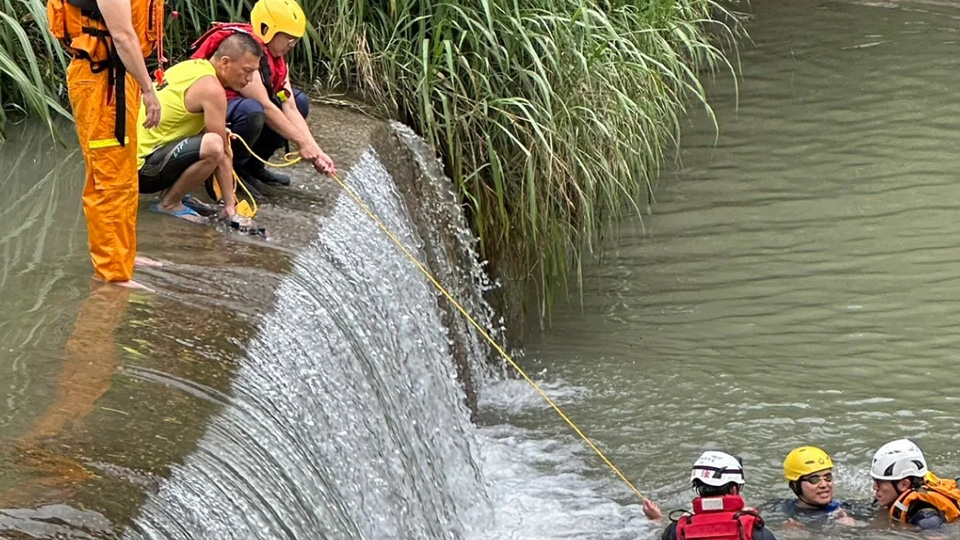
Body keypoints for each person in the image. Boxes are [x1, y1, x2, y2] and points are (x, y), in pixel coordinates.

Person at [46, 0, 165, 290]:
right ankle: (111, 273)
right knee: (109, 178)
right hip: (102, 82)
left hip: (119, 77)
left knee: (123, 175)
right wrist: (149, 90)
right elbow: (123, 36)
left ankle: (124, 255)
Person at [189, 0, 335, 193]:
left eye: (296, 39)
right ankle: (232, 170)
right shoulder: (245, 51)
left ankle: (253, 167)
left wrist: (316, 151)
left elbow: (289, 106)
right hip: (215, 109)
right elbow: (265, 106)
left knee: (299, 102)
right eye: (288, 38)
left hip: (241, 106)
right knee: (253, 111)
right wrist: (302, 143)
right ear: (266, 29)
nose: (292, 44)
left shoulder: (277, 56)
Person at [137, 33, 264, 222]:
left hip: (135, 161)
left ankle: (172, 194)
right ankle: (169, 203)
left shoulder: (192, 67)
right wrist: (231, 206)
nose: (250, 79)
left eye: (253, 72)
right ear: (225, 62)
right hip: (142, 170)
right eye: (246, 71)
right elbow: (222, 152)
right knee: (214, 145)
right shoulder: (212, 89)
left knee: (212, 138)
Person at [643, 451, 778, 540]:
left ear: (699, 489)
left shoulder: (676, 531)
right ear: (733, 489)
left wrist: (656, 520)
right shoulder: (757, 532)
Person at [871, 438, 960, 530]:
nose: (875, 487)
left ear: (904, 485)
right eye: (875, 480)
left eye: (881, 482)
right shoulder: (892, 497)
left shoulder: (927, 517)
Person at [775, 446, 857, 526]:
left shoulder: (850, 508)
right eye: (814, 480)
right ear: (795, 485)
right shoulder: (778, 511)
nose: (824, 485)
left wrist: (855, 529)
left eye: (828, 477)